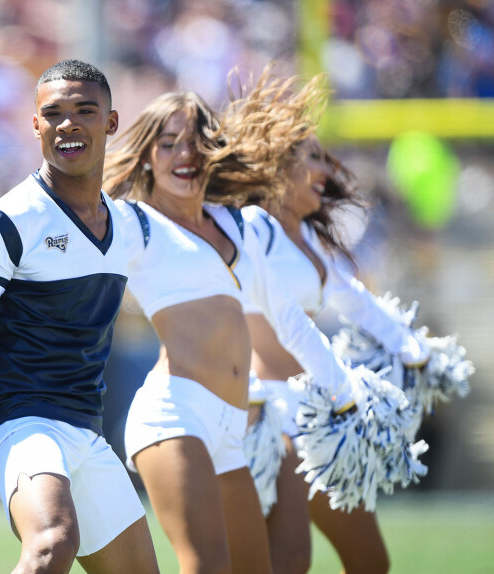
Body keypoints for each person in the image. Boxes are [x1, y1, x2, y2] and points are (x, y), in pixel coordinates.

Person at [102, 74, 364, 574]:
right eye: (168, 143)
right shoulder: (134, 224)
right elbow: (69, 237)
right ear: (147, 158)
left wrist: (343, 393)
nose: (185, 154)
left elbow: (288, 319)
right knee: (206, 567)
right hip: (173, 416)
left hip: (234, 425)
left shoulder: (236, 223)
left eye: (197, 143)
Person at [0, 59, 160, 574]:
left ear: (110, 122)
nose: (68, 123)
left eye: (85, 110)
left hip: (85, 429)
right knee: (51, 543)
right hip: (17, 421)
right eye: (54, 113)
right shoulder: (11, 219)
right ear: (36, 125)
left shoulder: (127, 224)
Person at [242, 105, 430, 573]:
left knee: (370, 561)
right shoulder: (251, 227)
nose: (326, 170)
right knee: (288, 561)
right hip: (264, 414)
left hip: (319, 414)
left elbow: (358, 302)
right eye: (313, 158)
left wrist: (414, 350)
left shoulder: (308, 235)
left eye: (326, 158)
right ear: (278, 167)